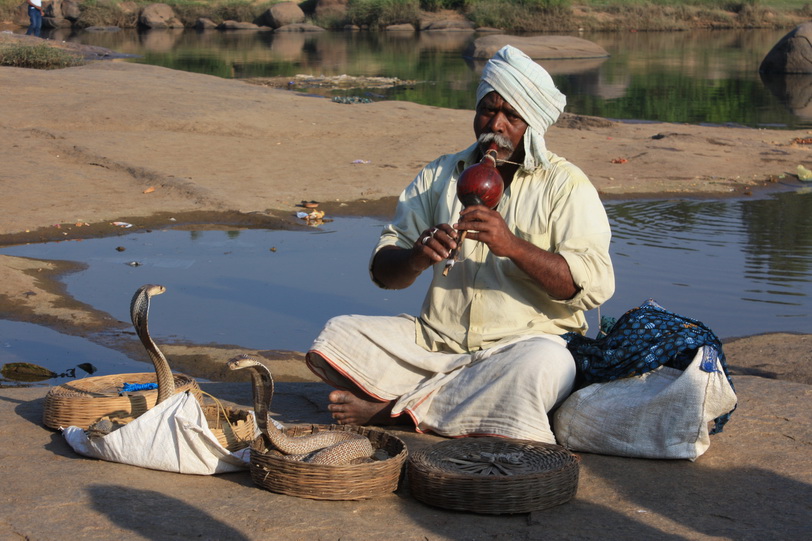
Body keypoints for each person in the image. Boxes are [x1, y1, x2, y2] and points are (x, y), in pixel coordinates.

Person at [306, 45, 615, 444]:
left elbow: (589, 287)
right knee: (338, 336)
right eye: (488, 110)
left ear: (533, 125)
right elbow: (385, 274)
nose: (497, 125)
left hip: (524, 347)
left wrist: (512, 246)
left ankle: (393, 411)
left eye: (512, 116)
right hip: (437, 345)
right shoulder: (440, 174)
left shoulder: (567, 185)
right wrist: (418, 257)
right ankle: (460, 404)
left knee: (544, 366)